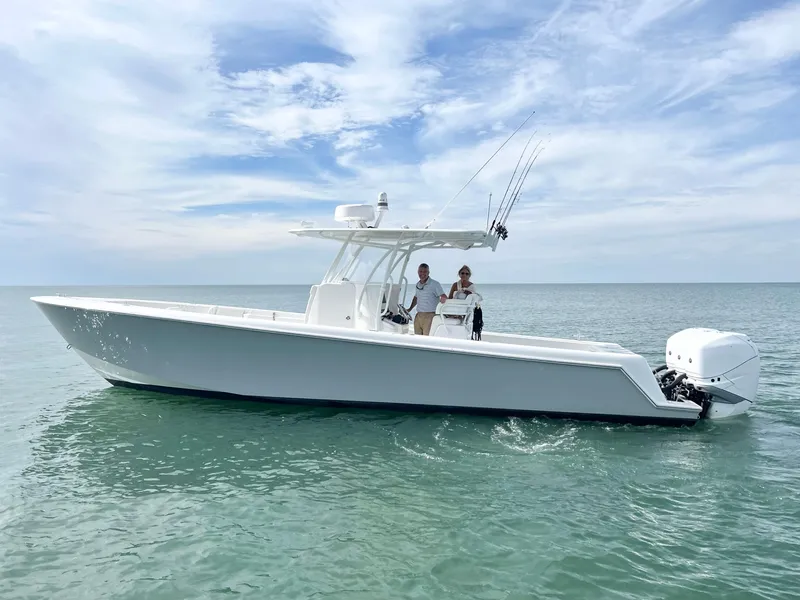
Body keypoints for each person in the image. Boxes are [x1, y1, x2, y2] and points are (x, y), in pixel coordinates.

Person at [406, 263, 447, 335]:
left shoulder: (435, 284)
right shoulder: (418, 285)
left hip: (430, 316)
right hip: (419, 315)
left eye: (425, 272)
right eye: (420, 271)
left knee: (427, 338)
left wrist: (443, 301)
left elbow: (443, 296)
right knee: (417, 339)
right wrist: (410, 309)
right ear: (418, 272)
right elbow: (416, 297)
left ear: (428, 273)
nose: (422, 274)